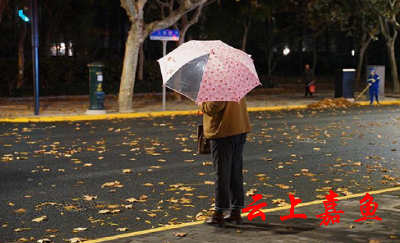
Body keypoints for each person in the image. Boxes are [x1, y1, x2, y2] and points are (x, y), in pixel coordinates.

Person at [198, 98, 251, 227]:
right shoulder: (235, 79)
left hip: (223, 131)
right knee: (235, 171)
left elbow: (217, 104)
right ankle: (235, 211)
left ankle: (219, 214)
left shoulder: (218, 80)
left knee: (221, 173)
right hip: (239, 127)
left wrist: (202, 105)